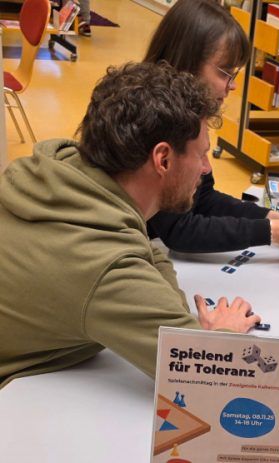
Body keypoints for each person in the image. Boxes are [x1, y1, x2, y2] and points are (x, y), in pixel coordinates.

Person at [0, 62, 261, 389]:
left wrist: (174, 314)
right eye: (201, 155)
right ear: (163, 159)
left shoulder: (65, 175)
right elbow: (206, 377)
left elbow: (147, 250)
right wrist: (225, 334)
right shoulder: (103, 265)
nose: (206, 169)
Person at [144, 0, 279, 258]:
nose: (233, 85)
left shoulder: (188, 114)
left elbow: (203, 199)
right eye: (225, 72)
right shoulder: (156, 122)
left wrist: (267, 216)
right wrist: (270, 231)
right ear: (188, 62)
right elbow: (179, 229)